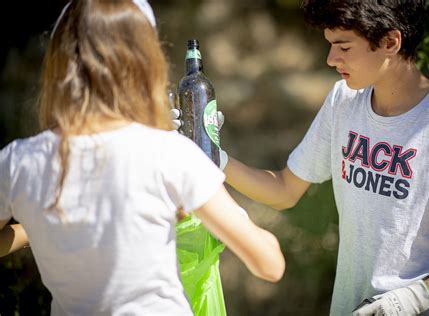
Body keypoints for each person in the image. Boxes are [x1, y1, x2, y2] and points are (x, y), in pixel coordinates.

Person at [0, 0, 285, 315]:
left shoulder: (18, 161)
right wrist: (230, 211)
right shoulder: (169, 153)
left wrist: (42, 224)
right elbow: (269, 264)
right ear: (144, 62)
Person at [207, 0, 429, 315]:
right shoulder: (343, 101)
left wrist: (418, 297)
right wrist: (212, 158)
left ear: (390, 42)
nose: (331, 59)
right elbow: (283, 190)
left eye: (343, 47)